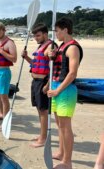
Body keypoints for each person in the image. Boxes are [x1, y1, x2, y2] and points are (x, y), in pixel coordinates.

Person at [47, 17, 83, 169]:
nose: (56, 34)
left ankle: (67, 162)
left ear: (65, 30)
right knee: (60, 124)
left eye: (57, 31)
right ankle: (62, 153)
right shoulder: (62, 46)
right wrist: (49, 85)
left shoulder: (73, 48)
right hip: (56, 86)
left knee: (66, 125)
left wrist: (57, 90)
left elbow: (72, 73)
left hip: (65, 90)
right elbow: (55, 66)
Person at [22, 23, 54, 147]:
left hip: (42, 83)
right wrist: (26, 57)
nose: (36, 38)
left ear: (45, 34)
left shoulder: (49, 47)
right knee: (39, 110)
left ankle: (43, 138)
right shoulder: (41, 46)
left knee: (43, 111)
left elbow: (53, 68)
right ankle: (42, 134)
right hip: (35, 82)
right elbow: (35, 64)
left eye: (38, 35)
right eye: (35, 36)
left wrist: (47, 85)